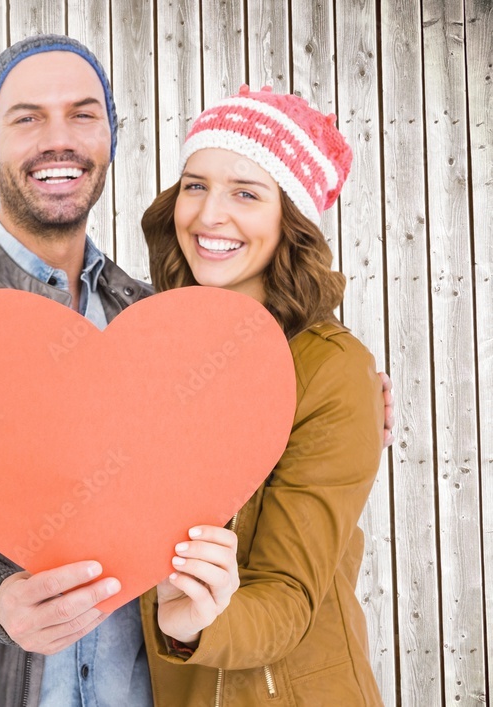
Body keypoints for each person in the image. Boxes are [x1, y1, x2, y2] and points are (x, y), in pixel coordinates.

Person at [0, 34, 393, 706]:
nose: (59, 139)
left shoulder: (155, 318)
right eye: (26, 117)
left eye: (83, 114)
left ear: (111, 139)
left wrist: (350, 390)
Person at [137, 85, 386, 706]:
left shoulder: (333, 372)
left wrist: (193, 621)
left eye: (246, 193)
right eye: (195, 185)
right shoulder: (150, 352)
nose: (209, 215)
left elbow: (288, 598)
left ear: (290, 220)